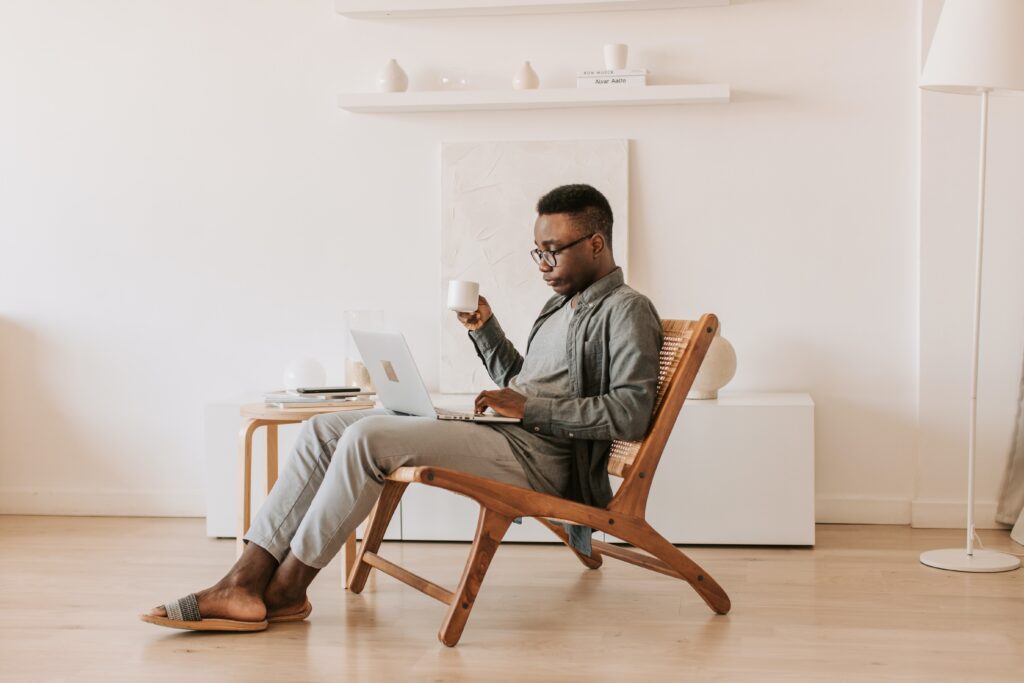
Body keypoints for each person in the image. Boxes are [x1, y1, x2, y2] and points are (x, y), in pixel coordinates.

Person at [142, 183, 663, 632]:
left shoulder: (627, 310)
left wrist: (526, 409)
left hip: (545, 460)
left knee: (369, 439)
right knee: (325, 430)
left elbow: (630, 413)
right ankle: (243, 579)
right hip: (511, 436)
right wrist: (486, 330)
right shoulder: (559, 305)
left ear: (596, 243)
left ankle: (286, 590)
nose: (544, 264)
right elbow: (522, 382)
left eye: (554, 250)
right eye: (538, 252)